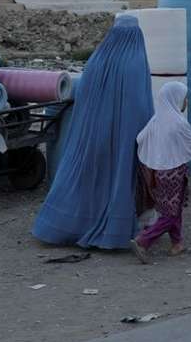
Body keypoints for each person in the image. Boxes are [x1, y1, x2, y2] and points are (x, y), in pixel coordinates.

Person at [32, 14, 154, 249]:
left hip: (90, 137)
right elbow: (141, 106)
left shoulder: (97, 60)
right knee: (115, 181)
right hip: (123, 140)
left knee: (86, 179)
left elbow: (83, 96)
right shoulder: (136, 62)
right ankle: (112, 230)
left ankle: (66, 225)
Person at [130, 82, 191, 264]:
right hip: (173, 174)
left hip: (154, 172)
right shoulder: (179, 123)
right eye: (184, 97)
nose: (186, 101)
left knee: (174, 207)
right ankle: (143, 241)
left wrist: (155, 154)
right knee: (170, 214)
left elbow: (140, 138)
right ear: (175, 98)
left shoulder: (156, 120)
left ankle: (177, 243)